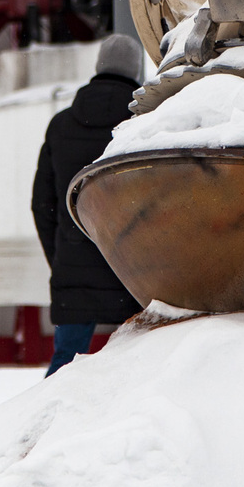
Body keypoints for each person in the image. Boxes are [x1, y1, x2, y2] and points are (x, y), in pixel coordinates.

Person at [31, 33, 145, 375]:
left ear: (98, 67)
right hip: (134, 270)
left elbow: (43, 205)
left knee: (64, 365)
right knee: (139, 367)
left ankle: (49, 426)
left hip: (73, 267)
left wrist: (62, 259)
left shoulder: (62, 125)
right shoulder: (144, 124)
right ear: (136, 70)